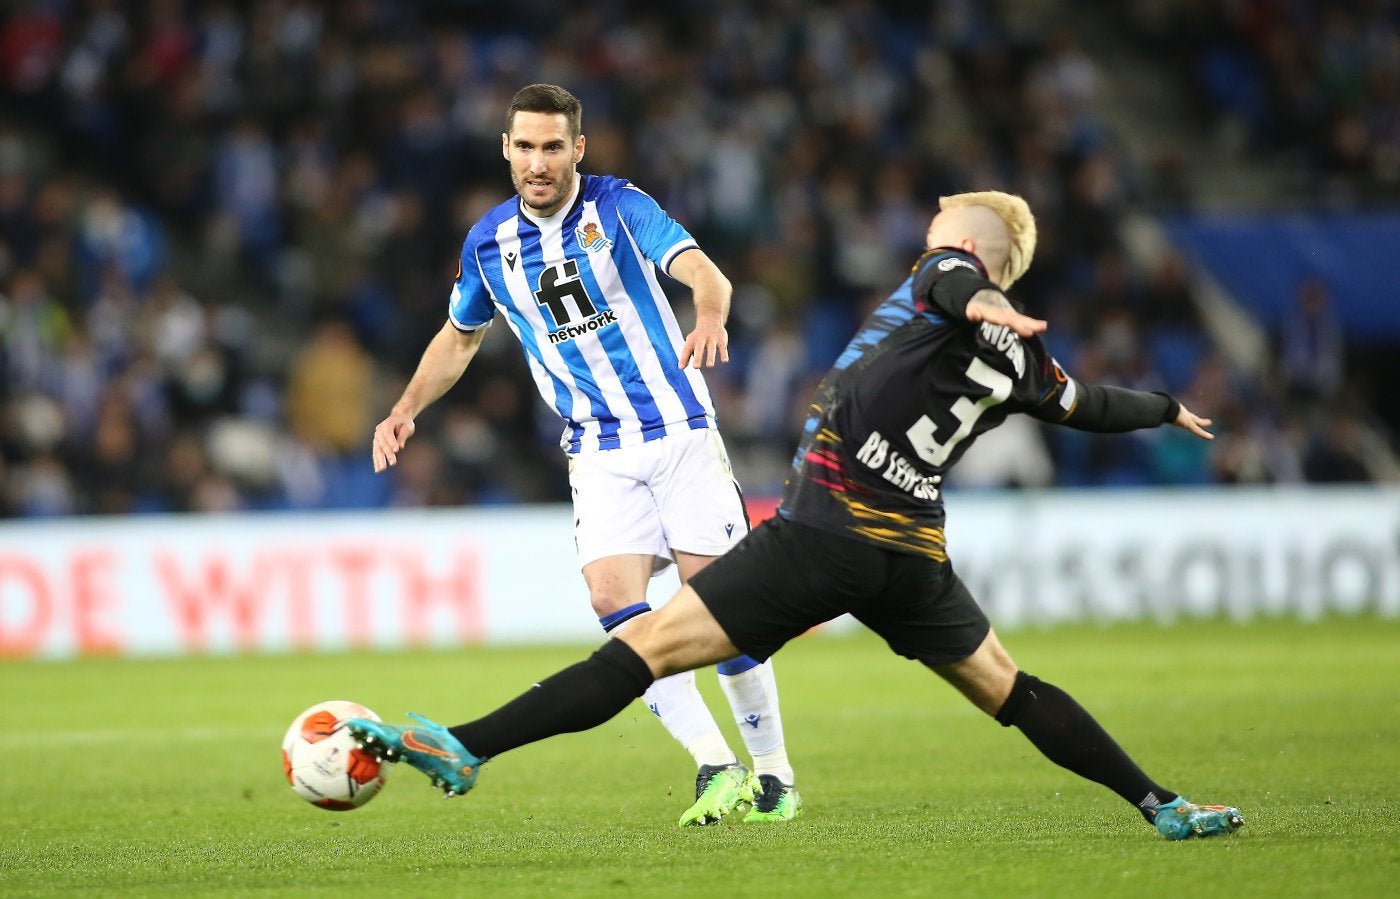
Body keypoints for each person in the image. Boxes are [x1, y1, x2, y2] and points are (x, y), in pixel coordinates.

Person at [350, 190, 1245, 841]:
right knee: (1011, 688)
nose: (929, 224)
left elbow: (946, 287)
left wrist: (977, 296)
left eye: (943, 220)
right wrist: (1165, 406)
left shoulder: (950, 273)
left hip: (827, 531)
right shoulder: (1025, 367)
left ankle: (466, 745)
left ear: (972, 242)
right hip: (912, 554)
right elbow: (1091, 404)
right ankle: (1159, 802)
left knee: (643, 647)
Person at [369, 84, 799, 826]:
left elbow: (703, 271)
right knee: (613, 603)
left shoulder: (619, 206)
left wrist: (711, 314)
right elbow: (460, 335)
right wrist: (405, 408)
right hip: (597, 449)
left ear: (578, 148)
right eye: (526, 147)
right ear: (506, 149)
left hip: (678, 432)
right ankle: (714, 762)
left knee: (726, 616)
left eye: (552, 147)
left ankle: (774, 774)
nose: (539, 162)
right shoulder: (488, 243)